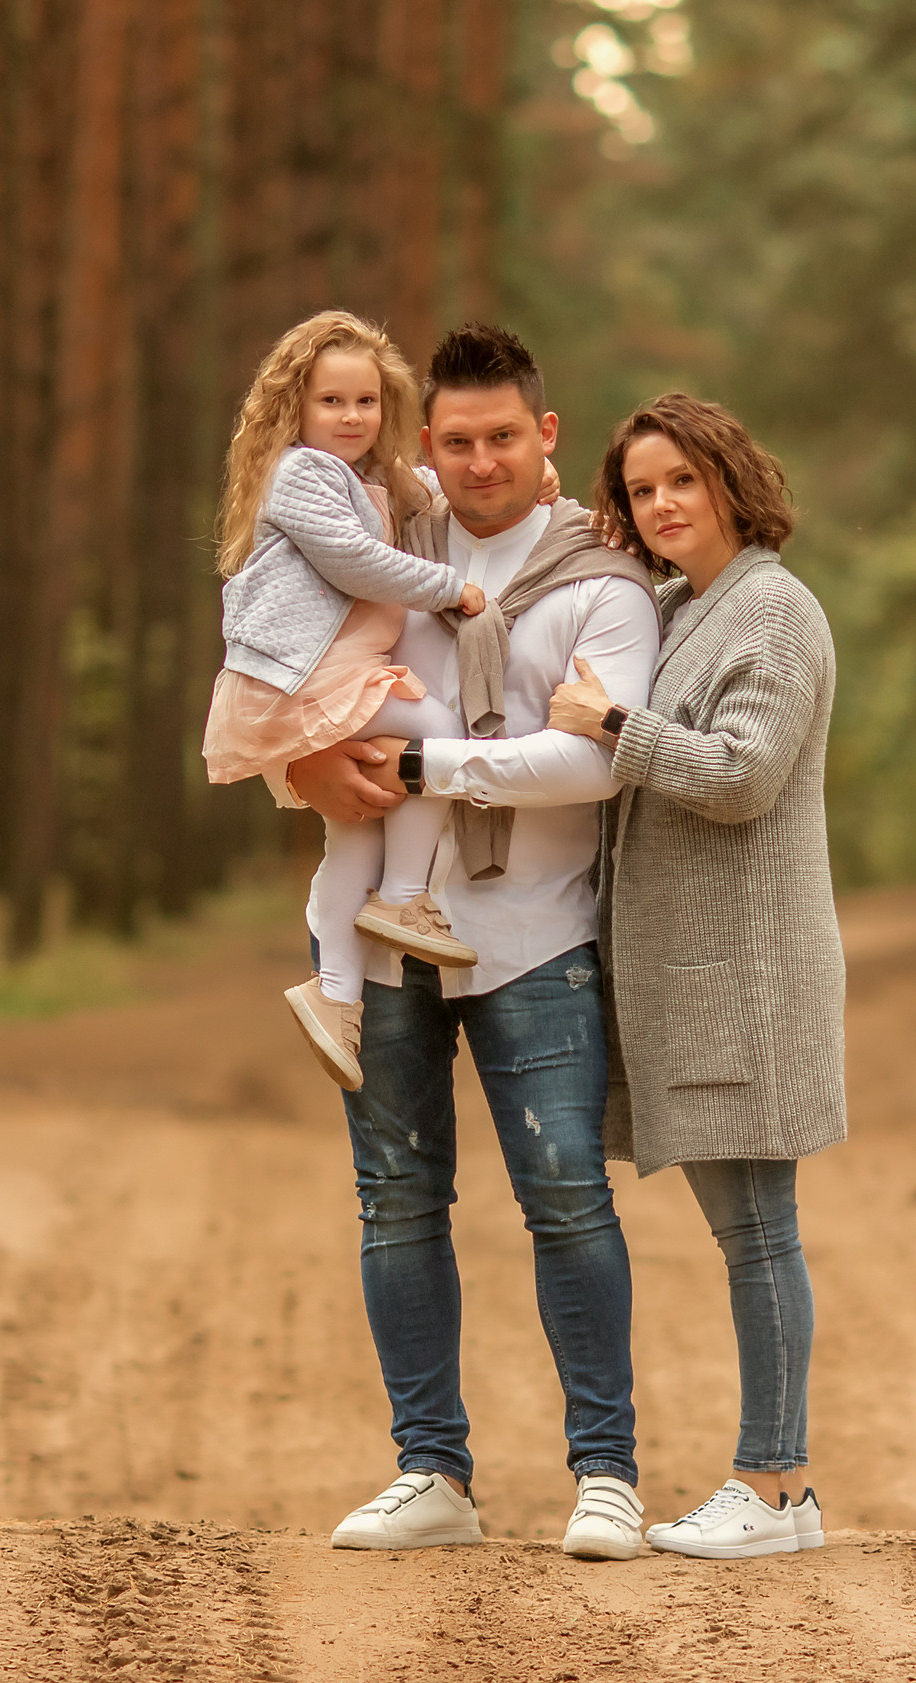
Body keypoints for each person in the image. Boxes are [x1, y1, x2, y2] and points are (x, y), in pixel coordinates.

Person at [279, 325, 663, 1560]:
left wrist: (422, 765)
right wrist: (304, 765)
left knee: (565, 1196)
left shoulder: (603, 580)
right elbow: (296, 680)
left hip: (532, 935)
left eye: (503, 437)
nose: (481, 461)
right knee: (396, 1204)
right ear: (426, 444)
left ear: (544, 435)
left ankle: (606, 1475)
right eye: (456, 441)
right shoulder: (383, 546)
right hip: (384, 938)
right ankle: (429, 1471)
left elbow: (593, 763)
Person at [545, 392, 846, 1560]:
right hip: (697, 977)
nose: (662, 504)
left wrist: (614, 724)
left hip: (748, 978)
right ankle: (778, 1490)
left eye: (682, 479)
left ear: (731, 478)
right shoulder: (677, 607)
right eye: (640, 490)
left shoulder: (772, 609)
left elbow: (741, 775)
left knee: (758, 1231)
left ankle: (771, 1487)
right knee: (746, 1231)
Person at [201, 310, 495, 1091]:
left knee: (356, 833)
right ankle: (403, 898)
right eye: (332, 401)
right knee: (435, 731)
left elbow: (428, 486)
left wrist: (527, 482)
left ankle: (334, 994)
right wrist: (449, 588)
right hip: (308, 676)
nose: (352, 416)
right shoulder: (301, 473)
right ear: (295, 407)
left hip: (336, 674)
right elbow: (354, 560)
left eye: (366, 401)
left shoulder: (365, 476)